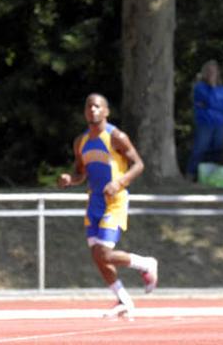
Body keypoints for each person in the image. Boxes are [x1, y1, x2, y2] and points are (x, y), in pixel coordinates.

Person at [57, 93, 158, 317]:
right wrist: (69, 180)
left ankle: (146, 264)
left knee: (104, 252)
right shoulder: (80, 142)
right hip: (94, 203)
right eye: (89, 106)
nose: (92, 110)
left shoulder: (116, 137)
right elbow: (80, 173)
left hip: (115, 201)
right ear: (85, 112)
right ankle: (124, 300)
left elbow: (138, 164)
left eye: (97, 106)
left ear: (106, 111)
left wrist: (120, 182)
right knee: (97, 255)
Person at [186, 60, 223, 182]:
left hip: (220, 124)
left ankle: (212, 178)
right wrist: (212, 98)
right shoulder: (200, 88)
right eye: (209, 71)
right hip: (205, 123)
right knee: (200, 149)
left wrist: (210, 104)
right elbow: (210, 101)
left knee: (217, 150)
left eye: (214, 71)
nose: (212, 73)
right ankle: (190, 175)